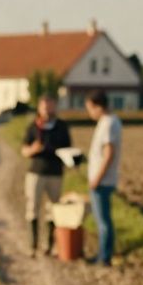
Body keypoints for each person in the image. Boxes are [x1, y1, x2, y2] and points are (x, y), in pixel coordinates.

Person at [20, 95, 73, 256]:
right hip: (36, 172)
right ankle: (32, 245)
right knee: (33, 208)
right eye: (44, 106)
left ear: (55, 107)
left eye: (50, 106)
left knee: (53, 210)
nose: (47, 110)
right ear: (39, 108)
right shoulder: (33, 127)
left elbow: (69, 149)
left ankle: (49, 245)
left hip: (55, 173)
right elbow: (24, 149)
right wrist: (32, 150)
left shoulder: (62, 127)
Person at [84, 89, 123, 267]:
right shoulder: (107, 122)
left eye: (90, 108)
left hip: (102, 181)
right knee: (103, 220)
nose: (89, 113)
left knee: (103, 221)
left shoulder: (109, 123)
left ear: (97, 106)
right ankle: (102, 253)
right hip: (102, 179)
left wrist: (96, 179)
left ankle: (104, 257)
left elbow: (108, 154)